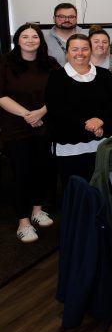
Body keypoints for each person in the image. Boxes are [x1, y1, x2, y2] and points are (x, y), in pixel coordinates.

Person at [0, 23, 59, 243]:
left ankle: (37, 210)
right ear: (18, 39)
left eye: (35, 36)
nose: (30, 40)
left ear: (40, 41)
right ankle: (23, 222)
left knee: (42, 170)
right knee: (22, 174)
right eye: (25, 36)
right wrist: (28, 115)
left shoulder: (50, 63)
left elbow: (56, 94)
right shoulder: (5, 62)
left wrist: (41, 112)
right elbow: (1, 96)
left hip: (43, 125)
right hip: (16, 128)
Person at [44, 34, 112, 190]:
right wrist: (88, 125)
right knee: (78, 190)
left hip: (104, 141)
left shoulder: (104, 74)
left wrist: (101, 121)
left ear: (90, 51)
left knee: (106, 189)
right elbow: (56, 108)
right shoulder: (56, 76)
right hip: (72, 146)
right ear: (67, 53)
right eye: (75, 49)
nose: (80, 53)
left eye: (85, 49)